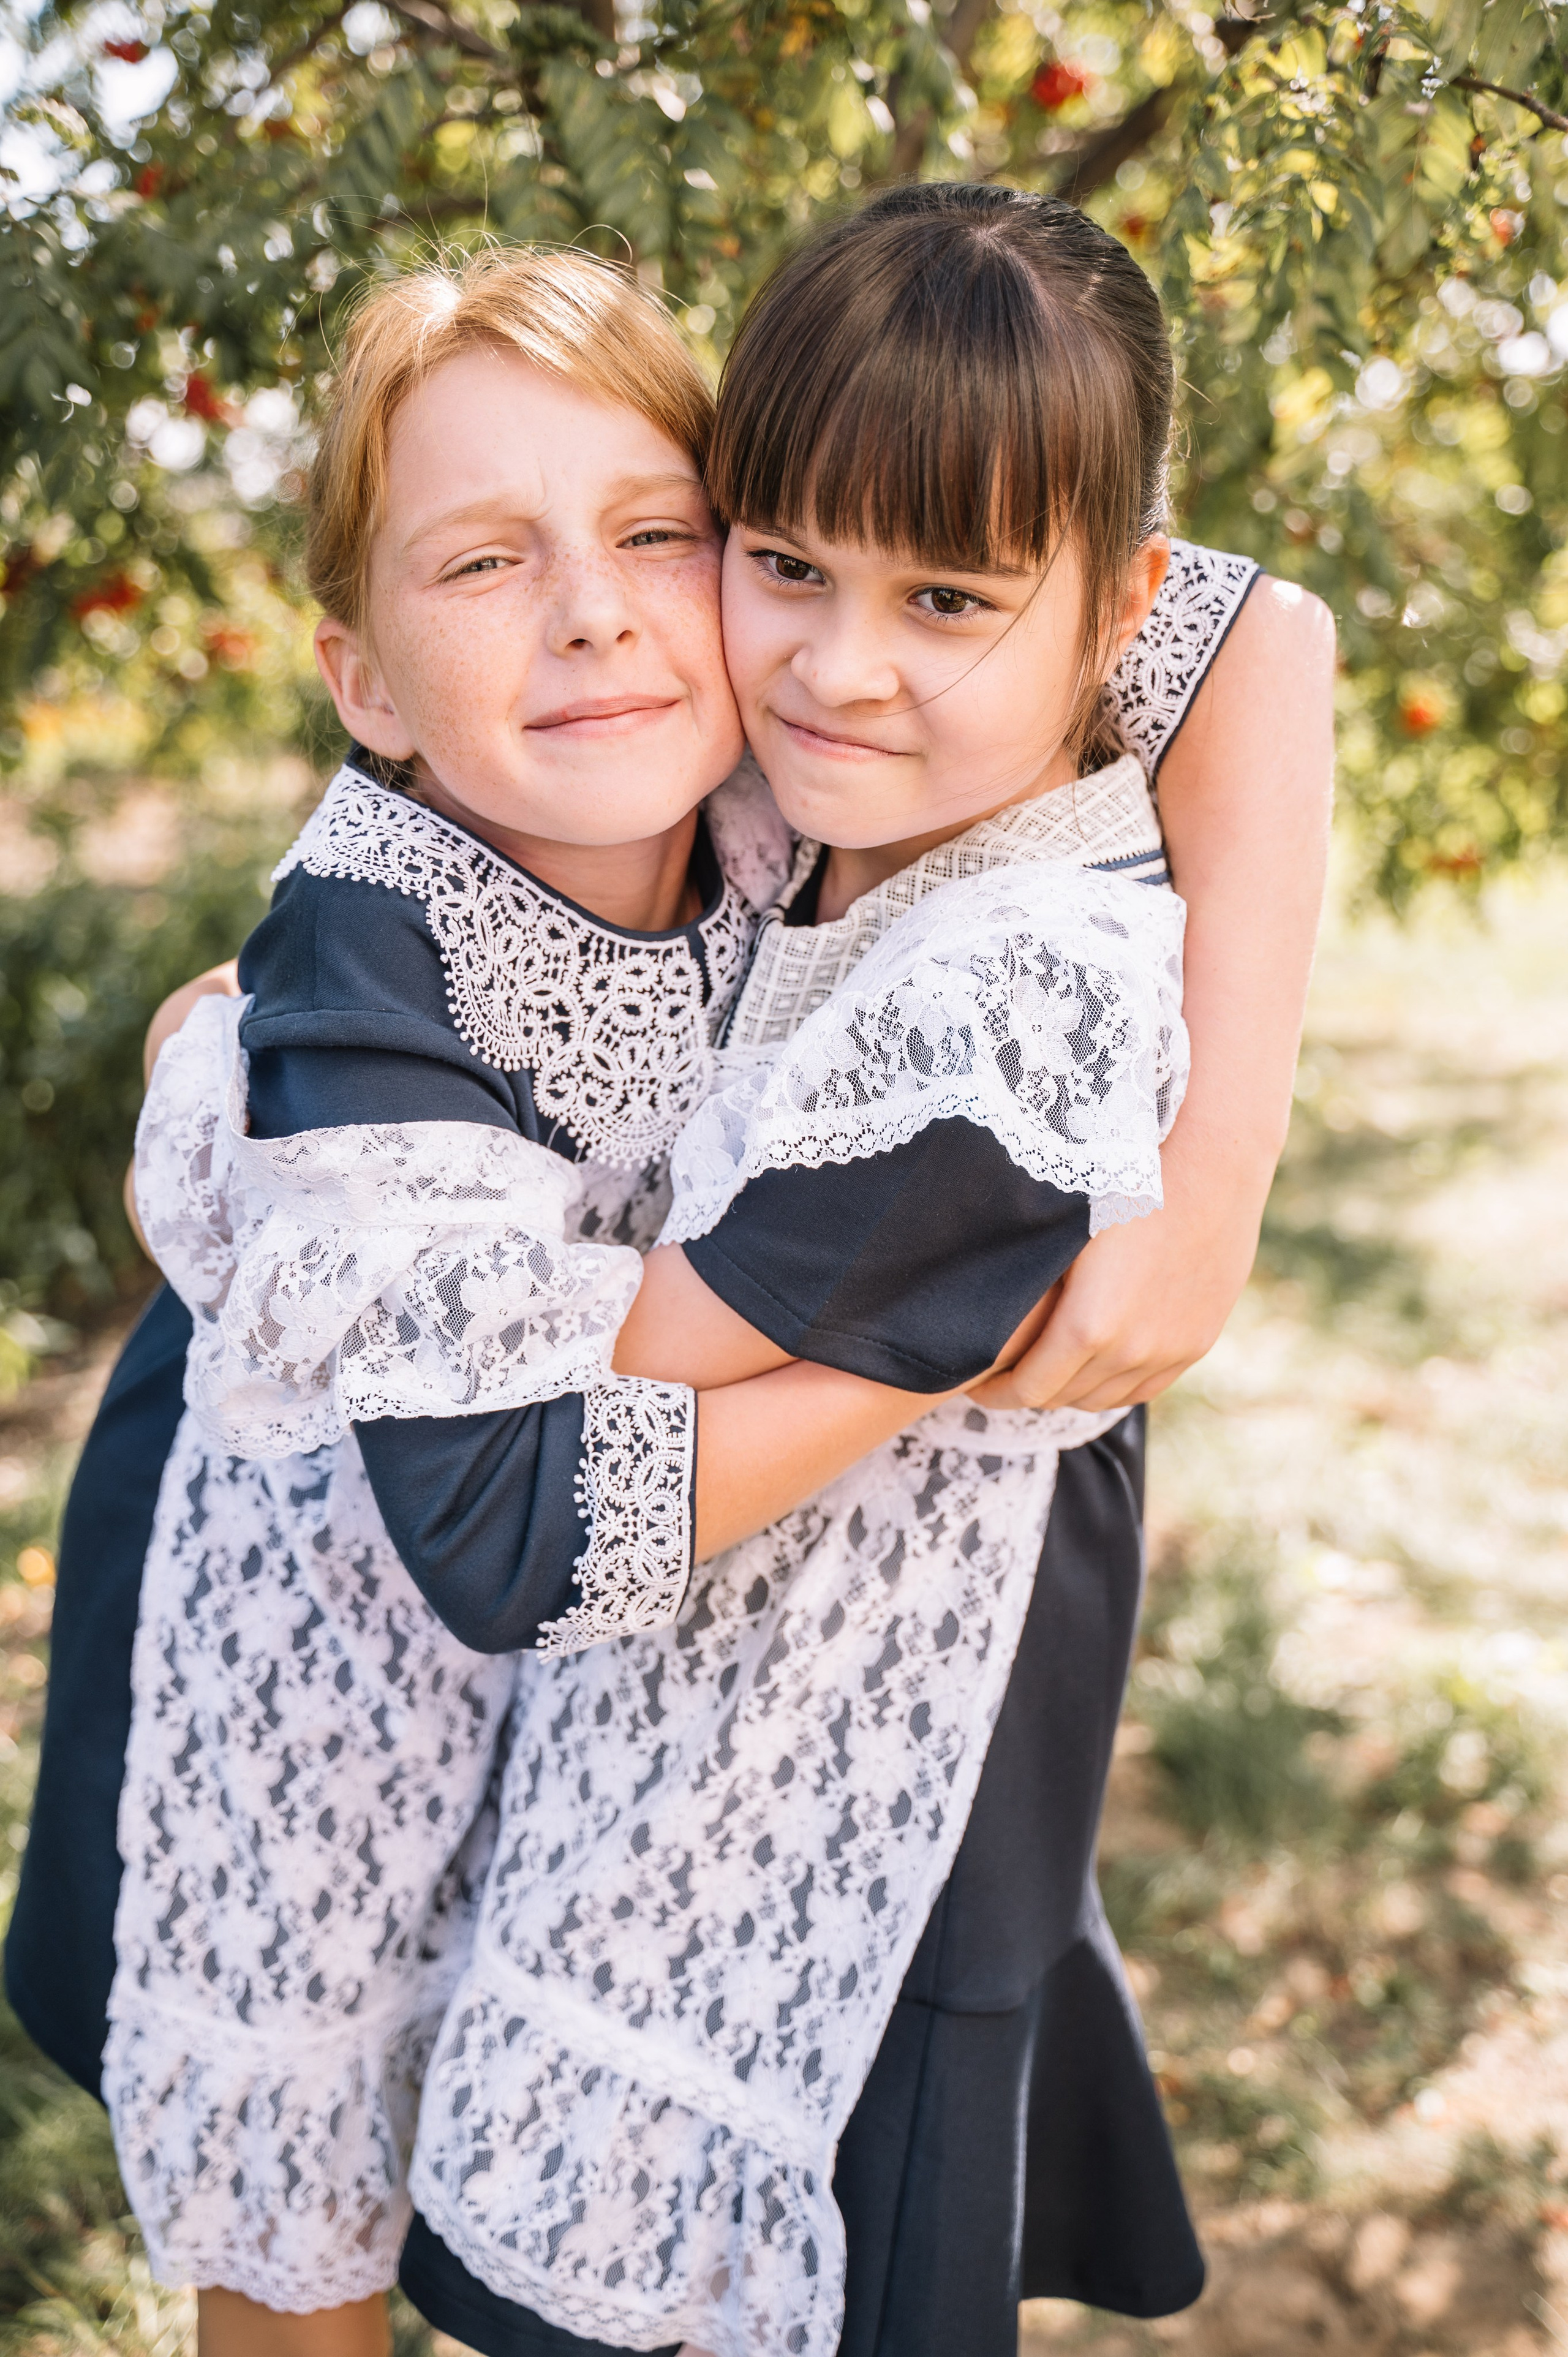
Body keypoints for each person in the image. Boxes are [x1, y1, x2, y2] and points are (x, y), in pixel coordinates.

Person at [6, 209, 1333, 2355]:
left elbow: (1255, 633)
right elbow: (506, 1505)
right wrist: (931, 1345)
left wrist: (1219, 1173)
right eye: (483, 562)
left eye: (663, 530)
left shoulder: (758, 742)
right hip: (305, 1605)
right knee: (311, 2174)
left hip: (584, 1610)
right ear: (359, 680)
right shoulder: (400, 960)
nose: (609, 618)